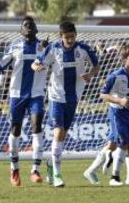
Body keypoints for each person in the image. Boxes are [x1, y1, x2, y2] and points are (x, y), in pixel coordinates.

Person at [32, 21, 99, 187]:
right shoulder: (53, 48)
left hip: (73, 97)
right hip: (56, 96)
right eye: (66, 37)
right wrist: (36, 67)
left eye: (72, 36)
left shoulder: (83, 48)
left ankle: (50, 163)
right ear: (60, 36)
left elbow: (96, 66)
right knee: (58, 131)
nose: (70, 40)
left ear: (76, 35)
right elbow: (36, 62)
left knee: (62, 135)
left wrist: (90, 74)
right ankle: (57, 174)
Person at [0, 16, 48, 187]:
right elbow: (0, 67)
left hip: (36, 94)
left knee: (37, 126)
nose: (28, 27)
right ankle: (14, 169)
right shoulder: (14, 45)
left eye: (31, 25)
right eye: (25, 25)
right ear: (21, 30)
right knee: (16, 130)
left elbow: (52, 64)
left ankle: (35, 170)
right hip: (16, 95)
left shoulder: (43, 46)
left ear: (36, 29)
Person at [82, 49, 129, 185]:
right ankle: (115, 178)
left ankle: (127, 175)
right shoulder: (116, 75)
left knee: (128, 145)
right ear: (124, 59)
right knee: (122, 142)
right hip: (118, 112)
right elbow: (103, 95)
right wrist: (120, 101)